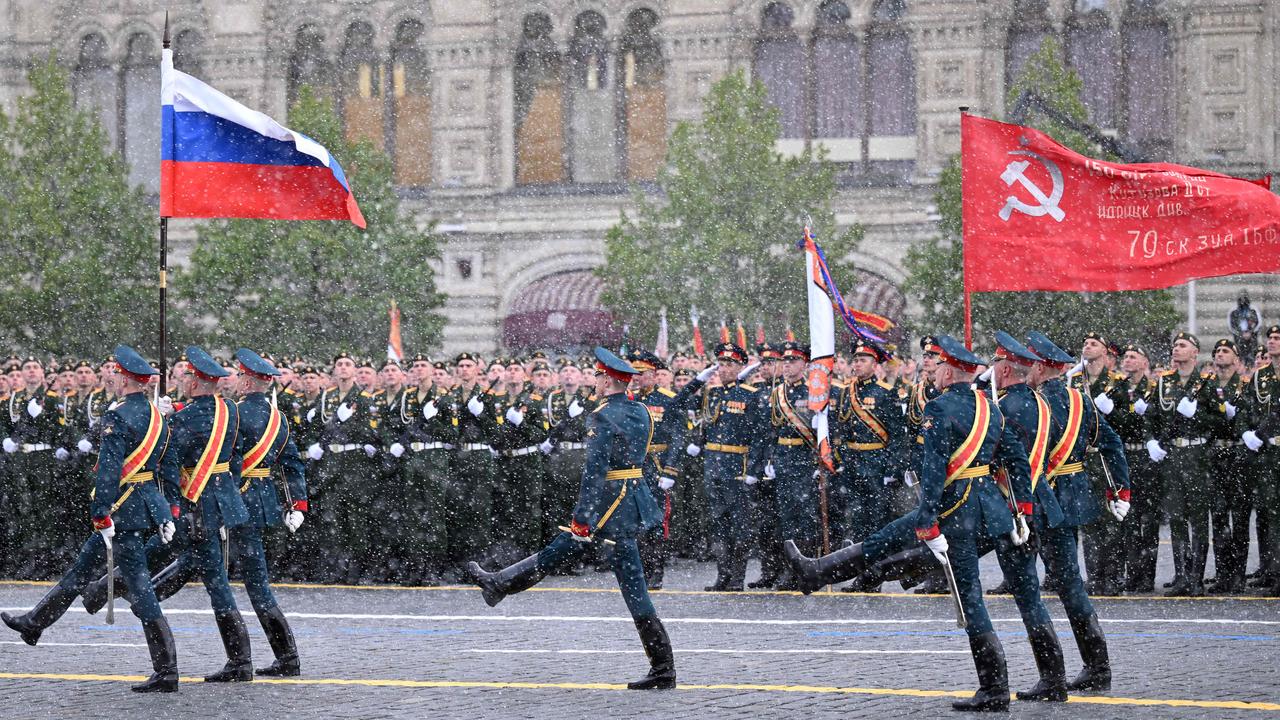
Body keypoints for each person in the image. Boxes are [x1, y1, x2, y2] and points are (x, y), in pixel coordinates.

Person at [784, 334, 1034, 712]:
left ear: (949, 371)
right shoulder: (990, 409)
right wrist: (1024, 509)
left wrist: (930, 521)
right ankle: (817, 571)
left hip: (954, 510)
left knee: (969, 599)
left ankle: (995, 687)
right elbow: (1017, 461)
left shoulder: (940, 408)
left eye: (937, 366)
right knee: (886, 539)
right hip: (986, 509)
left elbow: (934, 473)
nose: (931, 372)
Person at [467, 347, 676, 690]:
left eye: (597, 376)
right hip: (631, 498)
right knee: (574, 553)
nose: (593, 380)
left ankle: (664, 668)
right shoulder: (640, 410)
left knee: (631, 583)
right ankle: (500, 583)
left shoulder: (604, 416)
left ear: (607, 381)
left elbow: (594, 471)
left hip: (610, 504)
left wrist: (583, 515)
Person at [3, 346, 179, 693]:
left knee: (141, 589)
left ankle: (168, 669)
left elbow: (110, 470)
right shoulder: (157, 416)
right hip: (144, 505)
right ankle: (35, 622)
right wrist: (169, 507)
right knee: (82, 570)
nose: (109, 378)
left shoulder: (118, 416)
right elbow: (167, 464)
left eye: (114, 373)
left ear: (126, 378)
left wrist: (101, 511)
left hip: (122, 511)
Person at [1026, 331, 1129, 691]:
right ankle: (1094, 663)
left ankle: (1082, 669)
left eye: (1030, 364)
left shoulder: (1032, 404)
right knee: (1069, 584)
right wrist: (1122, 489)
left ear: (1040, 367)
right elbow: (1112, 444)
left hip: (1040, 499)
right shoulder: (1081, 401)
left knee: (1059, 585)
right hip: (1073, 495)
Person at [692, 343, 767, 591]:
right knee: (718, 523)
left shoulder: (751, 395)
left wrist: (754, 471)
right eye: (721, 364)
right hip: (714, 467)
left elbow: (760, 437)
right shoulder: (712, 394)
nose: (724, 369)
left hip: (738, 467)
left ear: (740, 367)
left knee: (740, 525)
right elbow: (705, 427)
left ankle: (736, 577)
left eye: (729, 364)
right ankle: (722, 575)